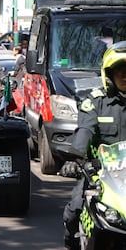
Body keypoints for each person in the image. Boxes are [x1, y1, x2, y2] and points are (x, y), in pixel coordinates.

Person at [61, 41, 126, 250]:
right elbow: (85, 131)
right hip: (101, 174)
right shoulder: (95, 102)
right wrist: (75, 159)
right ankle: (73, 242)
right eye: (120, 71)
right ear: (109, 74)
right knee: (75, 210)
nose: (125, 76)